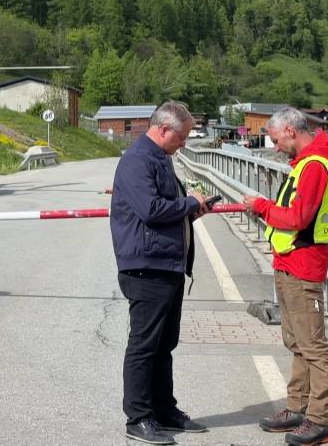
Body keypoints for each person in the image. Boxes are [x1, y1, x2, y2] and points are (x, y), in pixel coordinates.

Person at [109, 100, 209, 445]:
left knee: (165, 344)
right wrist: (189, 203)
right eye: (181, 136)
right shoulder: (137, 160)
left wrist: (190, 210)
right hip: (146, 268)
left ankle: (164, 410)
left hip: (166, 265)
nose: (184, 143)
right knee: (144, 345)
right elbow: (150, 210)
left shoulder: (161, 160)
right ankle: (138, 417)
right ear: (163, 129)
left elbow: (164, 211)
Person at [242, 108, 328, 446]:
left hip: (303, 264)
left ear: (290, 130)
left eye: (276, 139)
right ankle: (298, 408)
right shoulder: (306, 162)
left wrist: (261, 207)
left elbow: (299, 217)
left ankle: (318, 420)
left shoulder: (313, 166)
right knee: (298, 342)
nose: (275, 146)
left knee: (313, 346)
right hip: (290, 262)